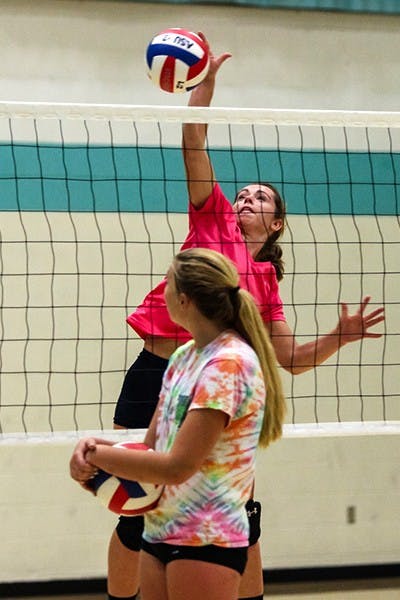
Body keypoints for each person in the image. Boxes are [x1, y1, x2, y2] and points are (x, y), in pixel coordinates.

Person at [77, 35, 385, 600]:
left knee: (235, 500)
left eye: (260, 198)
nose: (245, 199)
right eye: (241, 193)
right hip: (157, 373)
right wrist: (205, 88)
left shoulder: (266, 281)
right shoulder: (212, 216)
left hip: (213, 387)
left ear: (277, 224)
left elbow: (288, 360)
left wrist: (338, 338)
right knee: (135, 510)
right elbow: (194, 142)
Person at [70, 247, 287, 600]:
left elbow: (177, 466)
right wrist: (91, 452)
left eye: (167, 283)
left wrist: (99, 459)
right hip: (161, 528)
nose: (162, 291)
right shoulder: (184, 356)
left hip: (206, 534)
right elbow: (153, 449)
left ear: (184, 300)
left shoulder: (228, 363)